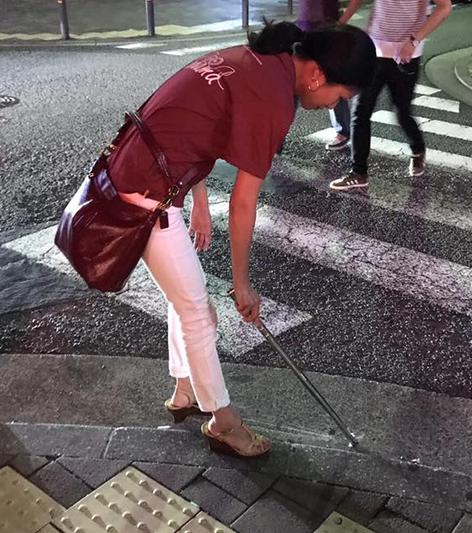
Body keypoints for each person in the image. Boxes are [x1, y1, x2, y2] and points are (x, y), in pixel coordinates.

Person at [103, 21, 376, 458]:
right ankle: (224, 423)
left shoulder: (260, 62)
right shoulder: (273, 100)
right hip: (145, 190)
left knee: (186, 300)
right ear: (317, 75)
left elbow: (189, 122)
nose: (335, 104)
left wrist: (196, 198)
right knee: (200, 313)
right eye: (341, 96)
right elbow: (243, 203)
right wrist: (242, 283)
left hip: (141, 170)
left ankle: (184, 391)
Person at [330, 0, 451, 190]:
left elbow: (444, 7)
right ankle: (358, 171)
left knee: (402, 113)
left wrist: (414, 40)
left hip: (405, 55)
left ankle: (418, 149)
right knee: (360, 112)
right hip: (373, 50)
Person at [297, 0, 352, 151]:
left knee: (331, 77)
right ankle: (278, 134)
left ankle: (342, 130)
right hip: (303, 27)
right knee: (294, 77)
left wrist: (341, 23)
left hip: (327, 29)